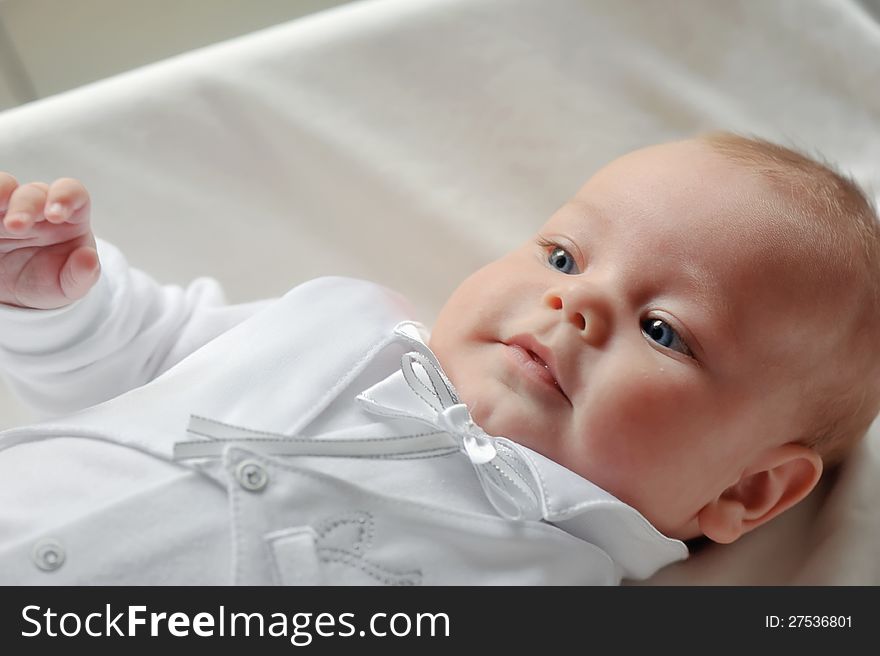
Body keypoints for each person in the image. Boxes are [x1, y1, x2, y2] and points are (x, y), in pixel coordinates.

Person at [0, 132, 878, 585]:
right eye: (565, 257)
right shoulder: (344, 325)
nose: (574, 302)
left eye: (663, 330)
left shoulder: (550, 580)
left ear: (745, 491)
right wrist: (57, 306)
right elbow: (145, 350)